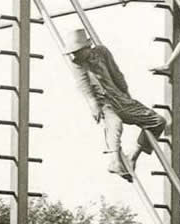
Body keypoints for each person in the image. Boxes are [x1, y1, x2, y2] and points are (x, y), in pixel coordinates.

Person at [64, 29, 167, 181]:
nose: (76, 55)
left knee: (158, 121)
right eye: (74, 52)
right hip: (104, 103)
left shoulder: (102, 52)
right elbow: (83, 84)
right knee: (115, 124)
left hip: (120, 98)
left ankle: (132, 156)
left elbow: (116, 73)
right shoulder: (77, 64)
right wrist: (93, 104)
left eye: (78, 51)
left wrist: (126, 93)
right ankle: (115, 162)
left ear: (87, 47)